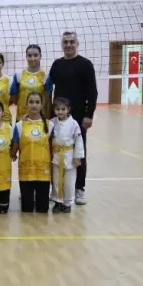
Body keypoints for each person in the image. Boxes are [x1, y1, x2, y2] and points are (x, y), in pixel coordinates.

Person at [47, 31, 98, 205]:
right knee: (55, 152)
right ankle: (56, 189)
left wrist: (89, 115)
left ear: (77, 44)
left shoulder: (86, 65)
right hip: (57, 118)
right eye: (65, 42)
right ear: (62, 44)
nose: (68, 45)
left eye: (71, 42)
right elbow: (48, 89)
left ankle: (79, 189)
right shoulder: (57, 65)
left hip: (77, 118)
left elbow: (92, 92)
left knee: (79, 153)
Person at [12, 92, 51, 213]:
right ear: (26, 104)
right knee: (27, 209)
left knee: (43, 209)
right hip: (26, 172)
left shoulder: (50, 125)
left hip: (43, 172)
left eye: (37, 102)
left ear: (42, 105)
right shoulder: (19, 125)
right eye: (31, 102)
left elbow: (53, 147)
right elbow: (14, 148)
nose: (34, 105)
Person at [50, 97, 85, 213]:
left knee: (69, 183)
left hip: (69, 156)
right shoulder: (52, 122)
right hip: (56, 156)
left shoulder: (74, 124)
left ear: (68, 109)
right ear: (54, 110)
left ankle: (67, 203)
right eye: (57, 109)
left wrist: (77, 157)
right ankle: (57, 202)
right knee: (56, 181)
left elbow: (78, 141)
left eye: (63, 109)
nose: (60, 111)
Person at [10, 44, 48, 121]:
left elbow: (48, 101)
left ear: (40, 56)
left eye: (35, 55)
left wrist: (46, 118)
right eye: (29, 55)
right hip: (21, 118)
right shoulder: (18, 75)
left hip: (39, 119)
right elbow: (13, 99)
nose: (32, 58)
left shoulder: (46, 76)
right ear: (26, 57)